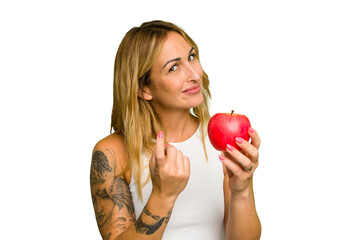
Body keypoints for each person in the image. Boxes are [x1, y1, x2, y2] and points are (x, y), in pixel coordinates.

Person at [90, 20, 261, 240]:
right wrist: (163, 196)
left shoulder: (220, 142)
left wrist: (241, 190)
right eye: (174, 67)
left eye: (191, 57)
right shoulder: (111, 153)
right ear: (144, 89)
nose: (195, 74)